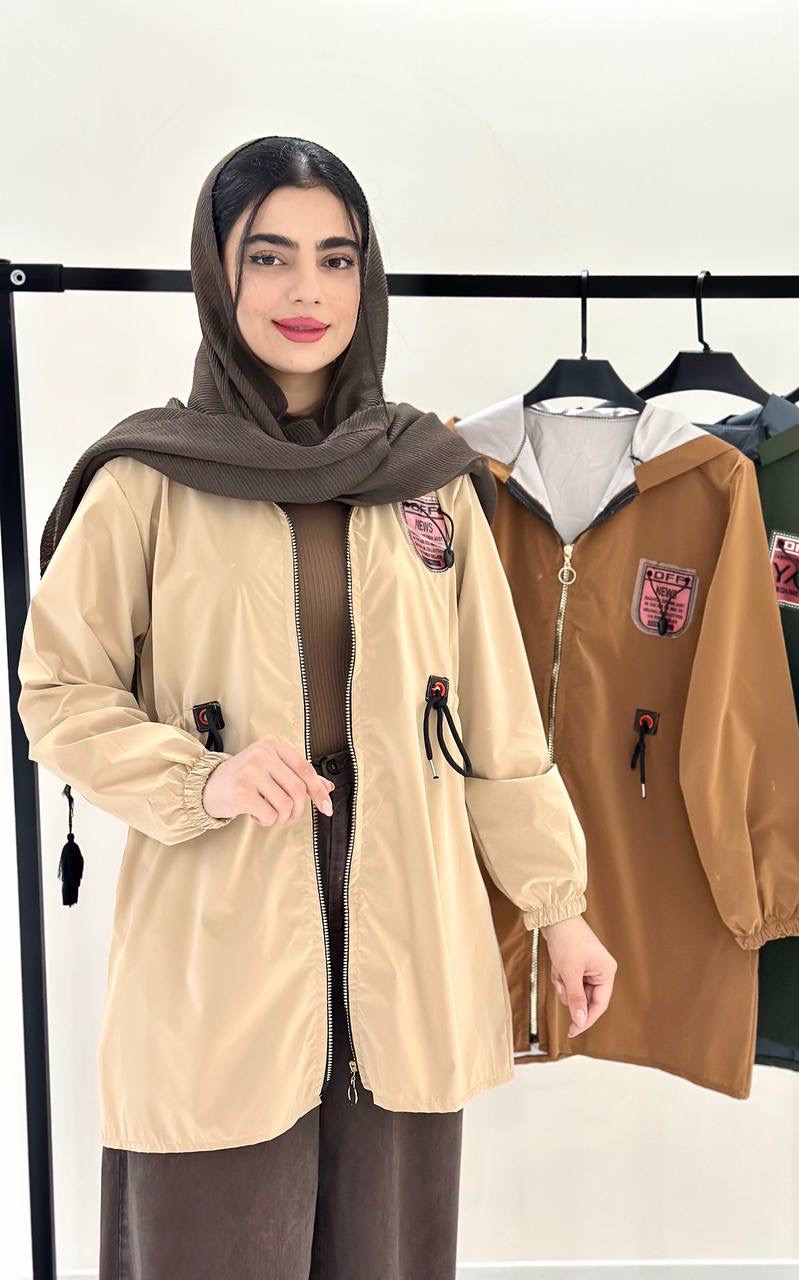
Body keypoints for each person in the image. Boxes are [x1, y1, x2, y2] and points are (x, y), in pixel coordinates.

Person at [17, 135, 618, 1279]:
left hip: (407, 943)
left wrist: (560, 907)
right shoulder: (149, 478)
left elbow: (497, 720)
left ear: (367, 277)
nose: (308, 290)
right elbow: (56, 691)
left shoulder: (428, 476)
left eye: (336, 259)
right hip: (220, 947)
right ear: (218, 273)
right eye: (271, 256)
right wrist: (205, 777)